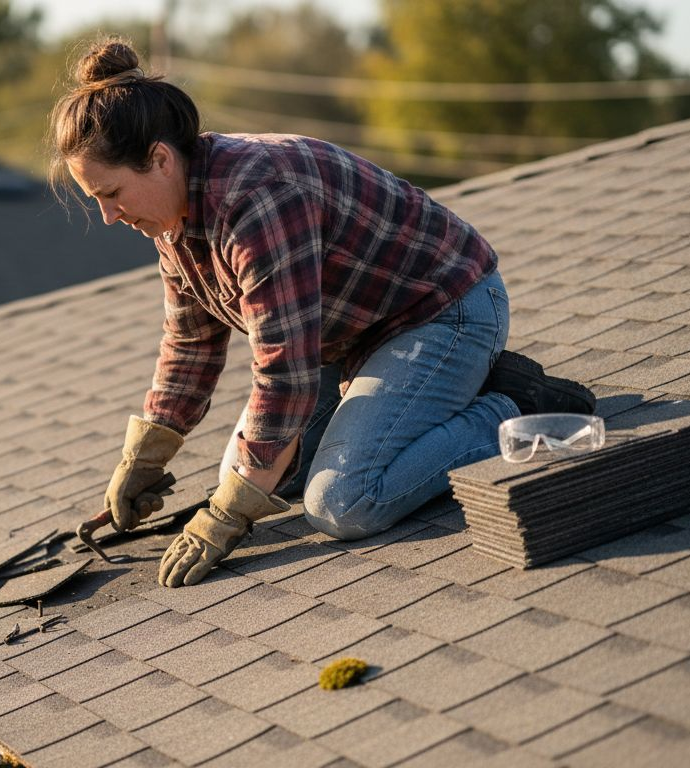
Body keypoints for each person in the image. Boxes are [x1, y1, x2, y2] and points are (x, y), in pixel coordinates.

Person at [50, 38, 595, 588]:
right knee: (262, 476)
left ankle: (509, 405)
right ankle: (427, 405)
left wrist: (227, 515)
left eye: (112, 193)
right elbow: (190, 346)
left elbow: (284, 373)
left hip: (443, 314)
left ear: (160, 159)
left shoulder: (257, 197)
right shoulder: (174, 215)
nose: (109, 215)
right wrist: (144, 457)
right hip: (351, 339)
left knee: (342, 502)